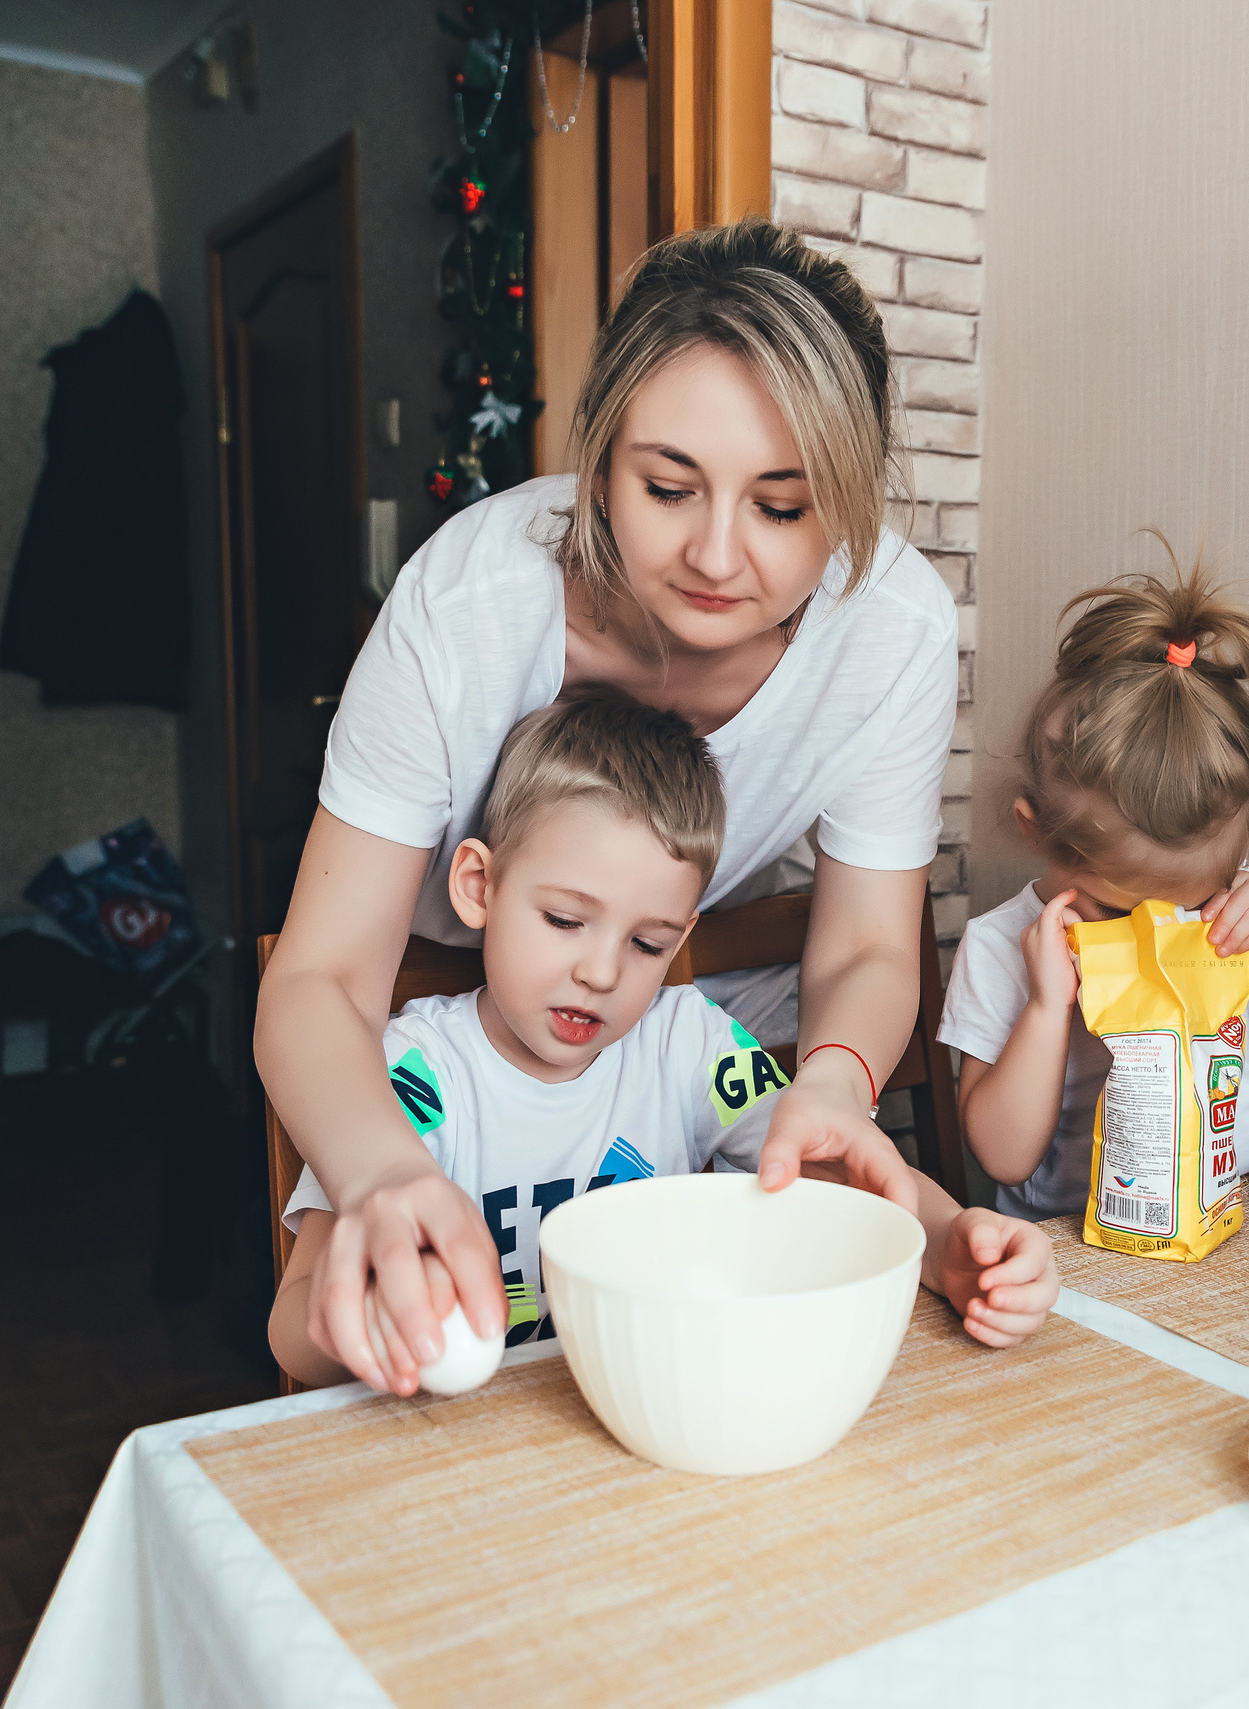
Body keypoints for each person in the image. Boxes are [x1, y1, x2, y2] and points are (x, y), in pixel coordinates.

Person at [256, 221, 966, 1393]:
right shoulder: (469, 603)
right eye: (667, 487)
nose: (718, 554)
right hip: (448, 1053)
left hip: (657, 1058)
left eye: (784, 507)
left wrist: (834, 1082)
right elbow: (320, 980)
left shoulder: (888, 629)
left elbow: (873, 943)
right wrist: (383, 1170)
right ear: (597, 460)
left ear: (846, 498)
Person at [268, 691, 1057, 1391]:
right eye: (565, 920)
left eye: (647, 944)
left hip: (651, 1415)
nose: (602, 971)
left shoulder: (690, 1047)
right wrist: (364, 1316)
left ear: (680, 939)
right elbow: (293, 1329)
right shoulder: (413, 1080)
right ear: (480, 886)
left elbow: (835, 1170)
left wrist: (948, 1241)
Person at [939, 553, 1249, 1220]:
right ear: (1036, 832)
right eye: (1117, 905)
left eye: (1182, 903)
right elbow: (1002, 1157)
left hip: (1239, 1217)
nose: (1155, 926)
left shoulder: (1234, 910)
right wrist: (1048, 1007)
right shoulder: (1000, 947)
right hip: (1076, 1246)